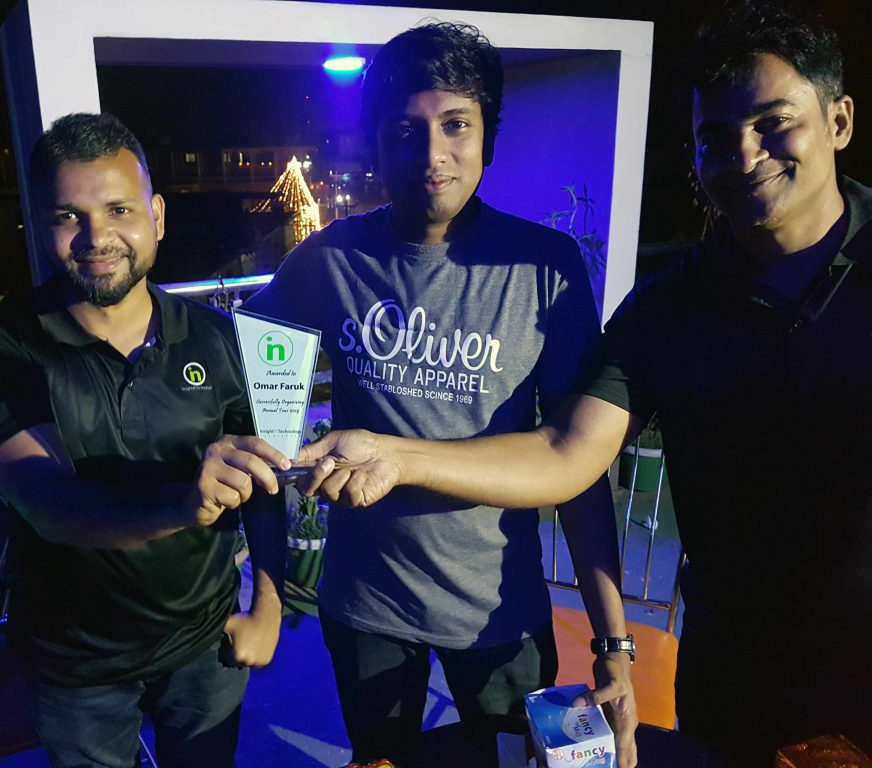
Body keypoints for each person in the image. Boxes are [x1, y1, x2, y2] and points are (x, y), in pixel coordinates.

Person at [298, 1, 871, 761]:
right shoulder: (666, 310)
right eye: (714, 137)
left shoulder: (545, 266)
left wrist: (611, 641)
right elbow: (569, 454)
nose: (743, 153)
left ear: (838, 120)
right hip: (729, 669)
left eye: (772, 123)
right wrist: (384, 461)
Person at [246, 22, 637, 768]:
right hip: (365, 607)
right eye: (405, 130)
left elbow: (577, 468)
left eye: (456, 124)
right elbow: (243, 364)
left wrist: (612, 644)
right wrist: (276, 458)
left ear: (489, 136)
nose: (431, 154)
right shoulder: (327, 258)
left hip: (501, 614)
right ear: (376, 144)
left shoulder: (545, 268)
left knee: (512, 762)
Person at [0, 112, 291, 768]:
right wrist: (184, 503)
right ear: (39, 225)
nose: (96, 237)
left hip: (206, 643)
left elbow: (265, 484)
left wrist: (268, 606)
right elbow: (50, 504)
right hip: (74, 666)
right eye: (68, 216)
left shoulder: (219, 338)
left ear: (156, 217)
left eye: (118, 210)